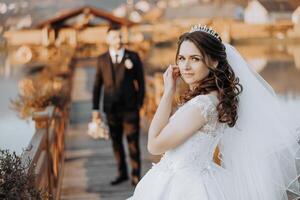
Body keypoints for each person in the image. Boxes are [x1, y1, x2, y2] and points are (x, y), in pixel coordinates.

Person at [127, 25, 300, 199]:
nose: (185, 66)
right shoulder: (215, 97)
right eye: (181, 58)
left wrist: (168, 92)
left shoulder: (202, 105)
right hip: (196, 178)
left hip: (184, 186)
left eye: (195, 59)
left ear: (214, 61)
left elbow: (154, 145)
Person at [92, 24, 145, 186]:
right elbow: (97, 86)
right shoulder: (101, 59)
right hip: (111, 109)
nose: (118, 39)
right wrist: (95, 109)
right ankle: (121, 173)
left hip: (130, 108)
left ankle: (136, 175)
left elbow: (141, 83)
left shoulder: (133, 57)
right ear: (108, 39)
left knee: (133, 142)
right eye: (114, 36)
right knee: (116, 143)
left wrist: (139, 105)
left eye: (120, 36)